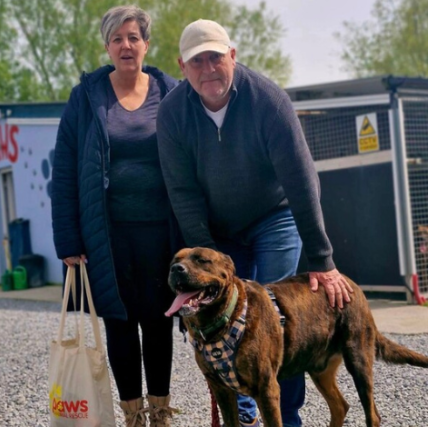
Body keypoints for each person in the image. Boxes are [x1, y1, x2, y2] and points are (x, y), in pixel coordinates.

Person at [156, 19, 355, 427]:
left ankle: (287, 416)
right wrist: (202, 261)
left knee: (278, 322)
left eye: (216, 56)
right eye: (197, 61)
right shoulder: (173, 113)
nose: (208, 67)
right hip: (217, 230)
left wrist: (322, 257)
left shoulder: (268, 101)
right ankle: (245, 415)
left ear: (232, 56)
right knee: (225, 319)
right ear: (182, 66)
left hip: (273, 217)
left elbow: (301, 181)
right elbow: (182, 192)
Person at [50, 5, 180, 427]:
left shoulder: (171, 91)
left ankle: (160, 413)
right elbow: (65, 169)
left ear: (146, 44)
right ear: (107, 46)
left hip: (162, 234)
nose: (127, 45)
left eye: (134, 37)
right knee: (120, 325)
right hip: (106, 235)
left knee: (160, 323)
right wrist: (68, 240)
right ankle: (133, 416)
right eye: (118, 38)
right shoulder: (86, 97)